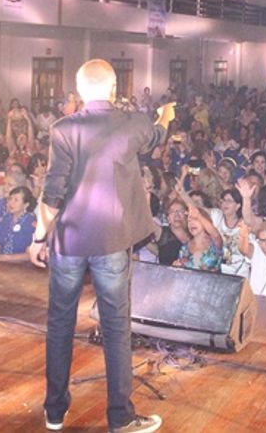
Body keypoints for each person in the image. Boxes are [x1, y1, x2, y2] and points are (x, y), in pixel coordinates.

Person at [29, 59, 174, 433]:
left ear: (79, 91)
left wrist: (39, 236)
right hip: (110, 241)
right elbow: (158, 134)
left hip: (68, 240)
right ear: (113, 89)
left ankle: (55, 411)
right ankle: (120, 418)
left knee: (60, 324)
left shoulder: (63, 129)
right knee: (116, 328)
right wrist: (165, 116)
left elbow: (53, 190)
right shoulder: (132, 123)